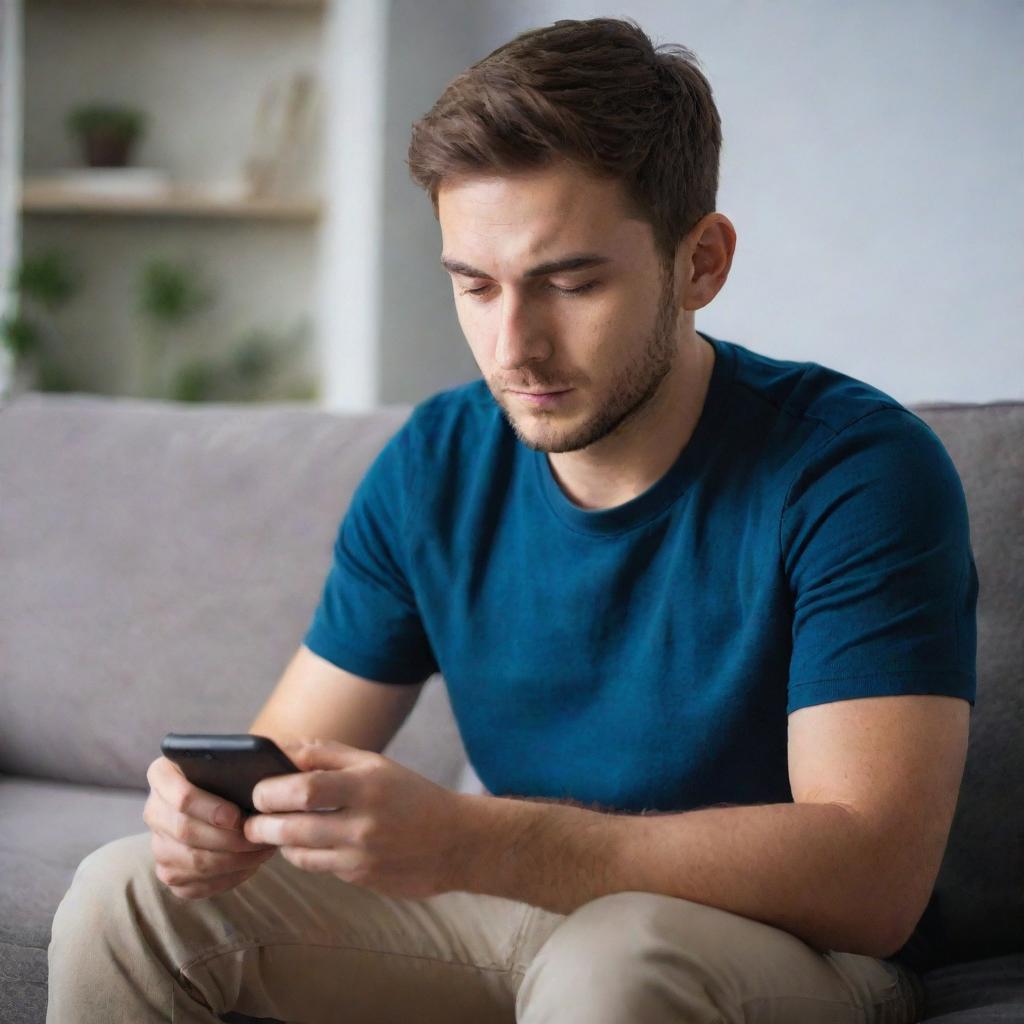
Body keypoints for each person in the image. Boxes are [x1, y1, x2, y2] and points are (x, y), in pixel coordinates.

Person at [47, 16, 976, 1024]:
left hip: (791, 950)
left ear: (699, 263)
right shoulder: (435, 463)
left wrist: (481, 840)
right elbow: (287, 760)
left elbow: (872, 879)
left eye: (569, 282)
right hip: (522, 914)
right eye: (474, 286)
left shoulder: (854, 470)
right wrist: (210, 820)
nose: (512, 346)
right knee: (126, 892)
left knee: (618, 960)